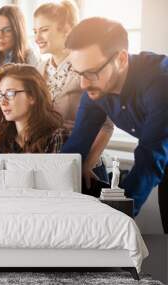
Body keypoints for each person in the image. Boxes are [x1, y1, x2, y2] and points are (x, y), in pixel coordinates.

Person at [61, 17, 168, 232]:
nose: (83, 83)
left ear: (121, 59)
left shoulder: (161, 83)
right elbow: (75, 148)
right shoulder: (94, 89)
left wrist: (114, 219)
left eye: (91, 72)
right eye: (78, 73)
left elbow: (150, 156)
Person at [32, 0, 114, 194]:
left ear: (67, 30)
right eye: (34, 31)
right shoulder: (38, 70)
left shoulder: (87, 67)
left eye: (43, 30)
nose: (37, 37)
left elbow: (106, 126)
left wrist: (85, 165)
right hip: (50, 163)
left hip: (86, 165)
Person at [0, 5, 41, 114]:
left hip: (18, 121)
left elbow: (35, 99)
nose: (0, 35)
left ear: (17, 32)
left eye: (7, 30)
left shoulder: (29, 57)